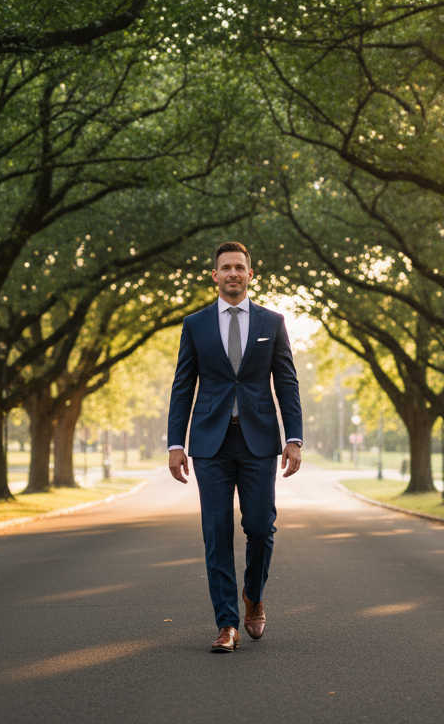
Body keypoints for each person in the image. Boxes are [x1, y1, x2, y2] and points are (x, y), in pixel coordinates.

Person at [166, 241, 303, 653]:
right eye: (225, 267)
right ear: (214, 275)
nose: (232, 273)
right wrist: (176, 443)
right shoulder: (195, 324)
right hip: (211, 443)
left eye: (239, 267)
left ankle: (254, 595)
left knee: (261, 528)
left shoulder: (272, 321)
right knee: (216, 532)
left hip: (259, 441)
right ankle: (226, 624)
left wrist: (293, 438)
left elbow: (287, 382)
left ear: (250, 273)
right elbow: (182, 386)